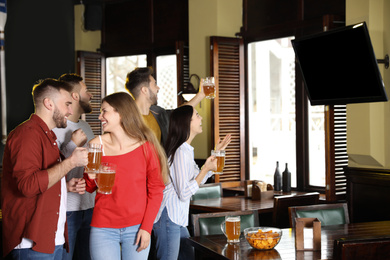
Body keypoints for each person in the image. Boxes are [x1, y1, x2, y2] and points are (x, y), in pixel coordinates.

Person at [1, 79, 89, 259]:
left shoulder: (47, 135)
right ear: (48, 103)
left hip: (50, 238)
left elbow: (43, 176)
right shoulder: (27, 134)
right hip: (30, 242)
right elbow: (28, 186)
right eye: (66, 104)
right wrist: (71, 162)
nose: (70, 111)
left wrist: (64, 186)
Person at [83, 92, 169, 260]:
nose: (100, 116)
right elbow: (90, 187)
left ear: (120, 113)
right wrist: (90, 174)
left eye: (104, 111)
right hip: (103, 227)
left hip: (137, 228)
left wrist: (146, 227)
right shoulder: (95, 145)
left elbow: (156, 190)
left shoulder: (146, 147)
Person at [152, 105, 231, 260]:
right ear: (186, 122)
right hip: (170, 217)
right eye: (197, 115)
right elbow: (184, 193)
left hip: (177, 219)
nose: (201, 118)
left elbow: (196, 179)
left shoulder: (186, 150)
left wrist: (215, 154)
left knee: (188, 256)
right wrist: (205, 169)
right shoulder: (180, 152)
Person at [53, 73, 95, 260]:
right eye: (86, 90)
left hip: (90, 206)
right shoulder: (56, 127)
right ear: (76, 96)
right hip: (68, 210)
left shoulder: (87, 126)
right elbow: (51, 167)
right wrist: (72, 144)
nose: (91, 95)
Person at [125, 67, 206, 145]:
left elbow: (181, 112)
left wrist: (201, 95)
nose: (158, 88)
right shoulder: (125, 119)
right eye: (154, 84)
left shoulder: (158, 113)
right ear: (145, 90)